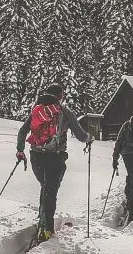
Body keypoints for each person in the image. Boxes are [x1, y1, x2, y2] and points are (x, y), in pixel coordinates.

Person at [15, 83, 92, 241]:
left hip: (36, 156)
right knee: (51, 192)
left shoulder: (36, 111)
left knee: (45, 188)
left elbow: (23, 131)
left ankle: (43, 220)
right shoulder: (64, 112)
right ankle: (47, 229)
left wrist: (20, 149)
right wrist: (89, 138)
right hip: (55, 158)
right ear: (60, 96)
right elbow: (80, 135)